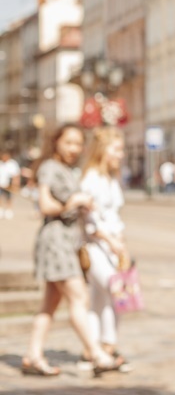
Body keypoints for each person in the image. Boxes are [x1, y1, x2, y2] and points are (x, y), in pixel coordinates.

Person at [21, 124, 122, 377]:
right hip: (55, 241)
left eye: (78, 144)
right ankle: (96, 353)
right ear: (56, 142)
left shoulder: (69, 170)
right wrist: (72, 203)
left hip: (68, 240)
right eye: (69, 143)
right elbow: (44, 205)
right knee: (79, 298)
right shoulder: (48, 168)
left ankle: (33, 355)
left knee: (49, 305)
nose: (74, 148)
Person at [79, 127, 131, 371]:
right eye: (117, 149)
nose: (121, 154)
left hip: (111, 246)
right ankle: (106, 346)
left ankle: (94, 349)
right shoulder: (91, 178)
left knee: (99, 298)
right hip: (95, 246)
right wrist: (111, 241)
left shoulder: (110, 178)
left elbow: (114, 216)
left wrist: (120, 245)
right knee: (114, 290)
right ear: (103, 150)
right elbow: (90, 220)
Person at [0, 149, 22, 218]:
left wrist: (15, 184)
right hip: (1, 184)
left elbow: (16, 175)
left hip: (9, 185)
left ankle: (9, 210)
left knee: (9, 198)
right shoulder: (1, 163)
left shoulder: (12, 163)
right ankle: (1, 209)